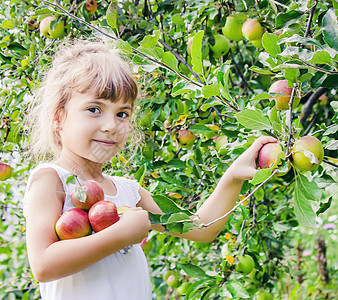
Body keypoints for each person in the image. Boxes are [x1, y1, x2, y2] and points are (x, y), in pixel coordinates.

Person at [22, 40, 276, 300]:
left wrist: (233, 176)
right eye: (94, 109)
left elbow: (201, 228)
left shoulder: (127, 191)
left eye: (122, 113)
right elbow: (43, 265)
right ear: (58, 117)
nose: (111, 125)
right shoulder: (52, 181)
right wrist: (121, 235)